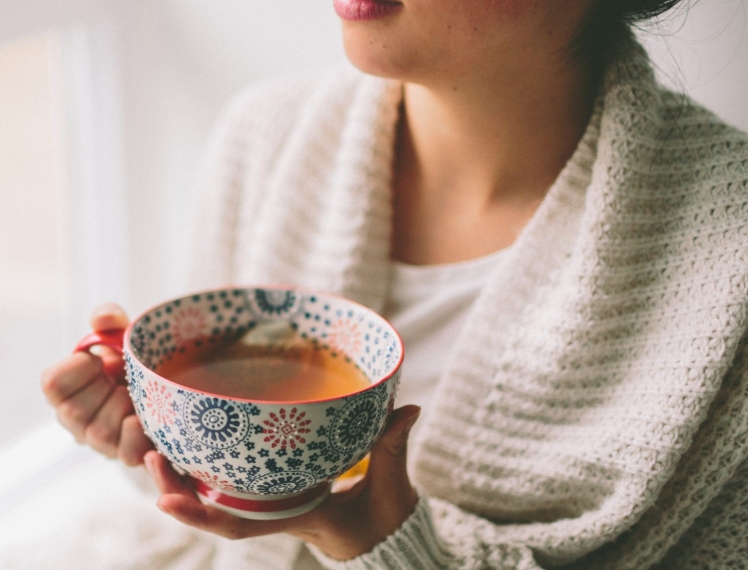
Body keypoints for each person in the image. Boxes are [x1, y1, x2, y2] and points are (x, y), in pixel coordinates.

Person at [40, 0, 748, 567]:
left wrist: (386, 546)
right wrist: (159, 433)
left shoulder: (728, 263)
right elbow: (220, 503)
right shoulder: (266, 137)